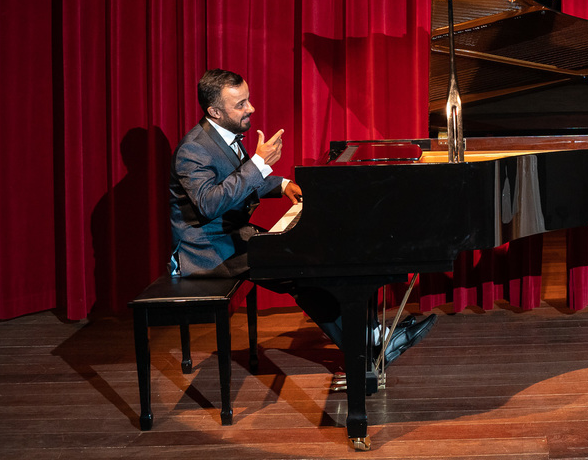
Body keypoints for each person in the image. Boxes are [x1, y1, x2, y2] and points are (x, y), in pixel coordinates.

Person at [169, 69, 435, 367]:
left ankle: (373, 336)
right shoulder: (193, 150)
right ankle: (367, 347)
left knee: (311, 264)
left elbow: (236, 178)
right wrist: (258, 163)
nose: (251, 108)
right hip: (208, 250)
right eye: (240, 104)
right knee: (303, 269)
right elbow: (209, 203)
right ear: (215, 112)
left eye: (249, 100)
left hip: (232, 237)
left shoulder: (225, 135)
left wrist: (282, 184)